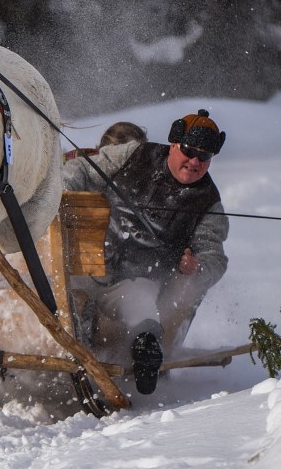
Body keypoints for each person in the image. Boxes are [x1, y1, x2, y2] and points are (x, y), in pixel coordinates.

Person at [62, 109, 229, 395]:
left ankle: (147, 356)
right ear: (174, 144)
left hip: (137, 280)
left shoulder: (208, 202)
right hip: (83, 267)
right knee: (58, 288)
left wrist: (198, 267)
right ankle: (73, 345)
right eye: (189, 151)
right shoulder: (134, 154)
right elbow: (83, 169)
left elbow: (215, 256)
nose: (194, 161)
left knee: (143, 309)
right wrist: (63, 194)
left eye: (205, 156)